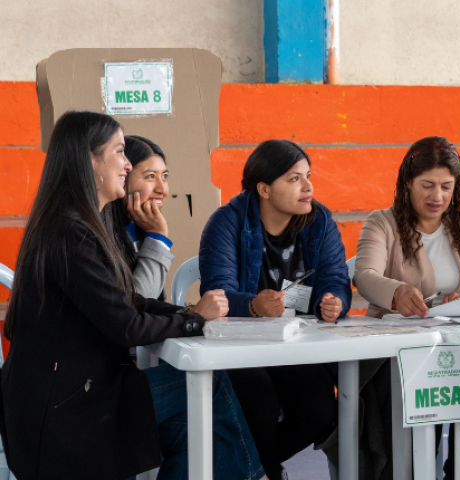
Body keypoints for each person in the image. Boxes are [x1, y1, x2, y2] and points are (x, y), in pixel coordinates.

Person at [0, 111, 267, 480]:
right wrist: (195, 319)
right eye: (120, 152)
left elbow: (127, 300)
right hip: (65, 411)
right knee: (211, 383)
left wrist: (189, 311)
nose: (127, 164)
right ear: (89, 160)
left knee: (192, 429)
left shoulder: (77, 224)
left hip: (75, 394)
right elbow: (125, 325)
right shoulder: (71, 233)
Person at [199, 139, 351, 479]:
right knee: (259, 399)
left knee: (319, 408)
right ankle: (265, 471)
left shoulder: (320, 220)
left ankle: (250, 470)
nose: (308, 186)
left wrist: (334, 301)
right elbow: (217, 291)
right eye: (294, 179)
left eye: (308, 175)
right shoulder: (227, 222)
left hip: (293, 344)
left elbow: (336, 278)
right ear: (264, 188)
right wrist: (252, 305)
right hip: (239, 346)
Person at [351, 136, 460, 479]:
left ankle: (455, 470)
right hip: (397, 350)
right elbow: (364, 275)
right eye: (427, 185)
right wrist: (397, 292)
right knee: (407, 385)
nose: (437, 196)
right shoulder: (382, 222)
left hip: (455, 346)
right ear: (407, 183)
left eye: (447, 186)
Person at [108, 135, 173, 300]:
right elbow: (133, 308)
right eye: (150, 176)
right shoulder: (99, 233)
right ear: (122, 177)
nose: (162, 189)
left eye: (164, 176)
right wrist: (158, 237)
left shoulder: (139, 228)